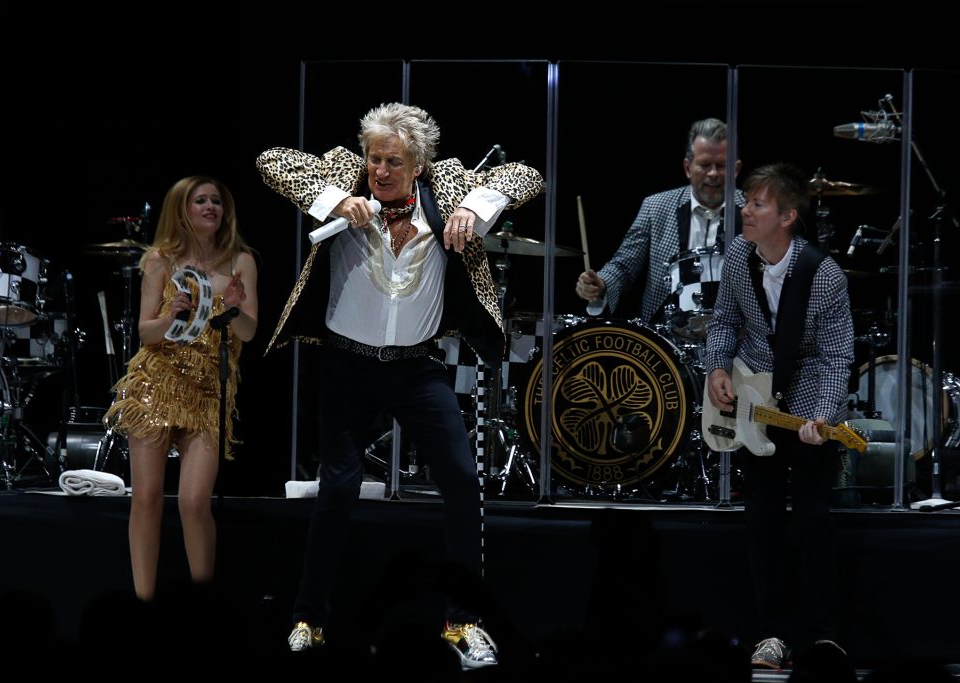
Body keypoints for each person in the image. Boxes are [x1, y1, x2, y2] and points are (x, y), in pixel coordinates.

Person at [256, 102, 543, 668]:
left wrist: (473, 206)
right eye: (375, 158)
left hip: (416, 368)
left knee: (461, 479)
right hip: (347, 365)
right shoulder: (345, 175)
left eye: (393, 161)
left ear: (419, 165)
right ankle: (308, 619)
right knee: (338, 488)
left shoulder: (448, 186)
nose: (380, 170)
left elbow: (526, 175)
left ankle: (463, 623)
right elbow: (271, 161)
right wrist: (334, 199)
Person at [703, 163, 853, 669]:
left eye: (757, 204)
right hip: (754, 399)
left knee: (813, 521)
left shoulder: (823, 275)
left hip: (807, 404)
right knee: (762, 520)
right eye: (747, 202)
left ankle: (824, 637)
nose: (745, 211)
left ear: (787, 217)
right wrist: (717, 368)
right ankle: (772, 634)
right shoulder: (739, 256)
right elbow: (724, 322)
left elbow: (835, 357)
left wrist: (820, 417)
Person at [104, 176, 259, 602]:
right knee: (147, 498)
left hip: (207, 391)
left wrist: (233, 308)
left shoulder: (241, 261)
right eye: (200, 201)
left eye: (216, 201)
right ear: (182, 210)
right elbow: (145, 333)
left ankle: (202, 606)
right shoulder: (161, 260)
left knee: (193, 502)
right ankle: (144, 602)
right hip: (156, 384)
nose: (210, 207)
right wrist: (170, 314)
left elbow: (248, 332)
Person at [575, 117, 743, 331]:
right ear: (688, 167)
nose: (713, 174)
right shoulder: (655, 207)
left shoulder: (752, 210)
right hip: (662, 333)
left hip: (736, 335)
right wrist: (602, 283)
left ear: (736, 169)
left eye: (721, 166)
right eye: (704, 165)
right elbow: (623, 266)